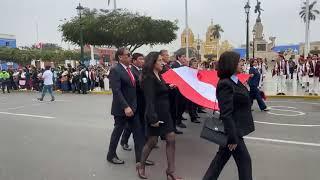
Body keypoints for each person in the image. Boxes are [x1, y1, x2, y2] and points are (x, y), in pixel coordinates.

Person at [203, 51, 254, 180]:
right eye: (239, 62)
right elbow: (226, 113)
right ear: (231, 64)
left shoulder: (235, 81)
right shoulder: (225, 84)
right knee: (245, 162)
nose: (242, 64)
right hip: (233, 130)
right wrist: (232, 137)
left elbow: (243, 99)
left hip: (235, 129)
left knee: (220, 160)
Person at [137, 52, 183, 180]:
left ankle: (170, 171)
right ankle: (141, 165)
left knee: (171, 139)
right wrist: (153, 119)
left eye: (163, 60)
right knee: (152, 141)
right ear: (153, 62)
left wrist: (169, 87)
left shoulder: (159, 75)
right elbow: (150, 99)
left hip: (165, 113)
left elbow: (161, 90)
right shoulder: (148, 78)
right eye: (160, 61)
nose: (163, 63)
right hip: (155, 114)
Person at [106, 48, 144, 166]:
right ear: (120, 57)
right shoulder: (115, 70)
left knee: (138, 134)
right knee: (117, 132)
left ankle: (140, 158)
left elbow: (133, 88)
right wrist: (126, 107)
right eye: (128, 55)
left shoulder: (130, 70)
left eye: (130, 55)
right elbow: (116, 91)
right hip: (122, 109)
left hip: (133, 108)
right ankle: (111, 155)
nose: (130, 57)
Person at [160, 50, 183, 135]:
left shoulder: (167, 66)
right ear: (161, 56)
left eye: (168, 54)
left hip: (172, 91)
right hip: (167, 92)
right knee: (166, 112)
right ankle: (164, 132)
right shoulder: (162, 67)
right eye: (166, 55)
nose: (168, 56)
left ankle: (172, 128)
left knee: (173, 111)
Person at [171, 53, 188, 129]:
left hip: (181, 89)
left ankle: (179, 118)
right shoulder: (175, 65)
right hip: (177, 89)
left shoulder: (181, 65)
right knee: (179, 106)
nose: (184, 58)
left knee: (182, 105)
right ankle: (178, 121)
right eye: (183, 56)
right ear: (179, 57)